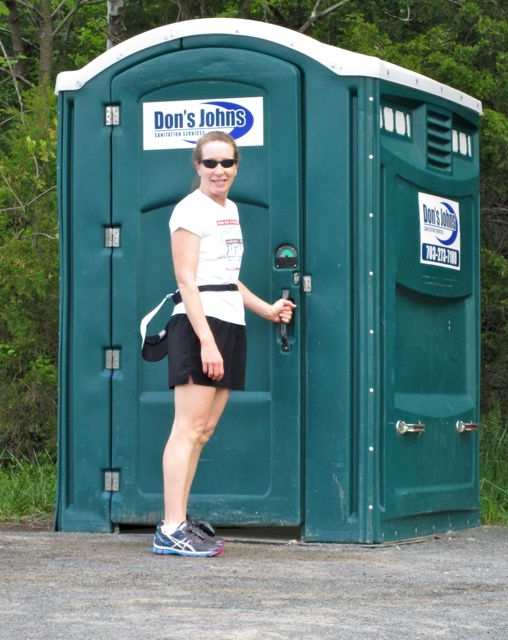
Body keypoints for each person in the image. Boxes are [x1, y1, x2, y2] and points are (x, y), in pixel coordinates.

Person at [152, 131, 296, 557]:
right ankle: (171, 527)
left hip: (230, 322)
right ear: (196, 166)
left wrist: (266, 310)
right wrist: (207, 342)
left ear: (237, 167)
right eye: (210, 163)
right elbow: (187, 281)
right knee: (188, 428)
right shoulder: (188, 211)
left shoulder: (229, 209)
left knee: (205, 430)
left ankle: (179, 521)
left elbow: (227, 277)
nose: (219, 171)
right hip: (200, 326)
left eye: (227, 163)